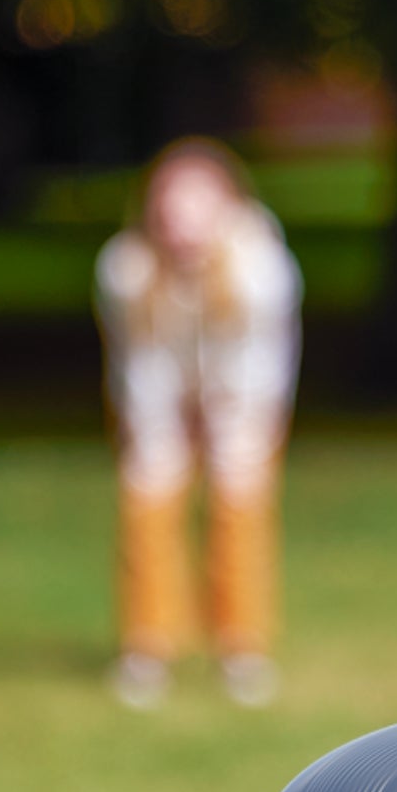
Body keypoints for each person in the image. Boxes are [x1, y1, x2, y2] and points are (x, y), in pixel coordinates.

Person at [95, 138, 302, 709]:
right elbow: (139, 363)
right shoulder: (126, 269)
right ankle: (148, 647)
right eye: (171, 205)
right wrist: (161, 431)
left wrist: (227, 424)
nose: (182, 222)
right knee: (147, 499)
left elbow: (260, 363)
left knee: (240, 506)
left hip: (243, 399)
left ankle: (241, 648)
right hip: (157, 397)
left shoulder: (261, 268)